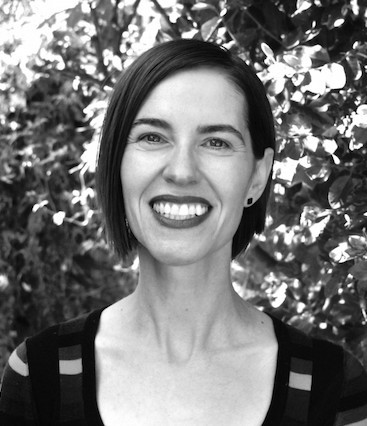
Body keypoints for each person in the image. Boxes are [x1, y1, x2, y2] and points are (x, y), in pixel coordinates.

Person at [0, 39, 366, 426]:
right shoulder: (39, 376)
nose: (181, 171)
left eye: (216, 142)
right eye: (153, 137)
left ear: (258, 176)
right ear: (115, 162)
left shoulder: (332, 387)